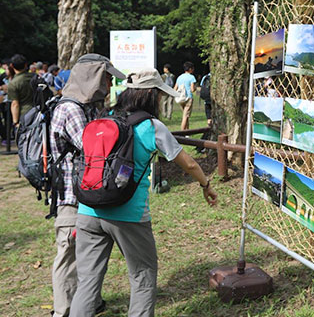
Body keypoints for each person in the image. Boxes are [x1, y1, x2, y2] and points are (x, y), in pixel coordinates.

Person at [70, 68, 217, 317]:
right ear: (151, 95)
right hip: (128, 215)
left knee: (88, 282)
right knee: (142, 275)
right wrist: (206, 185)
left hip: (88, 210)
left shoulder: (101, 118)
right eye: (159, 94)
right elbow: (189, 164)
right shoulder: (151, 126)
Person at [49, 54, 126, 317]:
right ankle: (64, 310)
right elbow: (94, 149)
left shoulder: (87, 106)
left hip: (86, 195)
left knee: (87, 254)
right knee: (69, 256)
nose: (109, 82)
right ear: (93, 77)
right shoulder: (70, 109)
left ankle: (87, 302)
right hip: (71, 198)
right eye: (107, 76)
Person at [7, 54, 35, 125]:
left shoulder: (13, 83)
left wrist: (15, 122)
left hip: (24, 114)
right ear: (26, 65)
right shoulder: (35, 77)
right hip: (38, 112)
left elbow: (15, 104)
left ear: (12, 66)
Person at [174, 61, 196, 130]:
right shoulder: (191, 77)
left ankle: (187, 132)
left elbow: (175, 88)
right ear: (190, 69)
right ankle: (182, 132)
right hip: (188, 97)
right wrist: (195, 88)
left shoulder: (179, 77)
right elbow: (192, 89)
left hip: (181, 98)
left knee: (186, 115)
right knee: (185, 116)